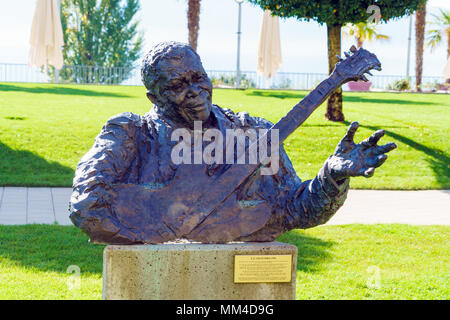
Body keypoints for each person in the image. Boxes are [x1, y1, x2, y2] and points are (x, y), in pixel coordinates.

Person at [70, 42, 396, 244]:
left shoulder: (255, 133)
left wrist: (332, 176)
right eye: (178, 85)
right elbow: (87, 204)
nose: (195, 91)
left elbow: (296, 210)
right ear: (154, 97)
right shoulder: (130, 133)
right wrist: (148, 234)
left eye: (199, 78)